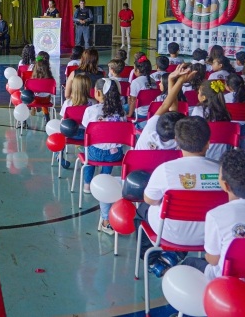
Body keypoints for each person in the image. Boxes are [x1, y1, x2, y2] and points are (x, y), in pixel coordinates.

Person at [182, 150, 245, 305]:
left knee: (189, 263)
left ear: (225, 185)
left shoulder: (216, 215)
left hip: (229, 293)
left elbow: (213, 260)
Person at [138, 114, 219, 276]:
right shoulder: (222, 171)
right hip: (209, 238)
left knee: (142, 209)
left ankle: (153, 261)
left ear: (176, 141)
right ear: (209, 143)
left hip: (170, 234)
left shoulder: (165, 169)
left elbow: (150, 199)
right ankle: (175, 255)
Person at [80, 78, 126, 234]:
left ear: (98, 93)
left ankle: (87, 184)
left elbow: (87, 128)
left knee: (88, 149)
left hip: (95, 153)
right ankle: (105, 178)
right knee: (111, 151)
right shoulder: (121, 112)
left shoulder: (91, 110)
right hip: (115, 155)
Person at [136, 69, 190, 151]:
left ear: (157, 124)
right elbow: (172, 106)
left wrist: (177, 81)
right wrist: (173, 80)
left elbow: (165, 105)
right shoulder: (178, 144)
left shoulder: (149, 132)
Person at [127, 56, 157, 122]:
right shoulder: (153, 81)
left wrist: (129, 114)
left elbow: (133, 101)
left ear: (137, 70)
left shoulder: (135, 82)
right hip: (151, 113)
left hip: (139, 114)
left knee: (122, 107)